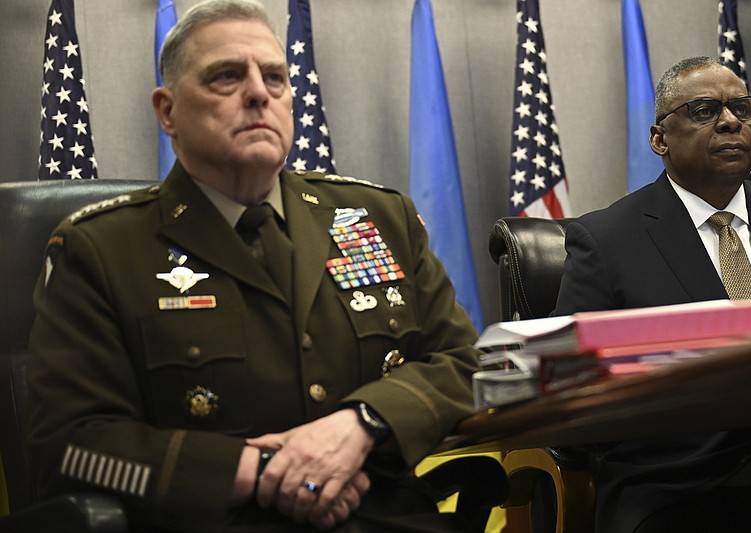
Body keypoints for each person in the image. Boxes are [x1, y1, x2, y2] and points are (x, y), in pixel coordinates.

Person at [25, 1, 493, 531]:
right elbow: (68, 446)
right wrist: (261, 470)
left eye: (274, 77)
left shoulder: (378, 217)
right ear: (168, 112)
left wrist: (362, 422)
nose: (258, 93)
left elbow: (464, 364)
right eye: (226, 77)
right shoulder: (102, 250)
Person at [554, 56, 751, 532]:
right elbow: (573, 390)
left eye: (741, 109)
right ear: (659, 139)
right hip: (677, 489)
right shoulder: (606, 240)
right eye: (705, 110)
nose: (730, 121)